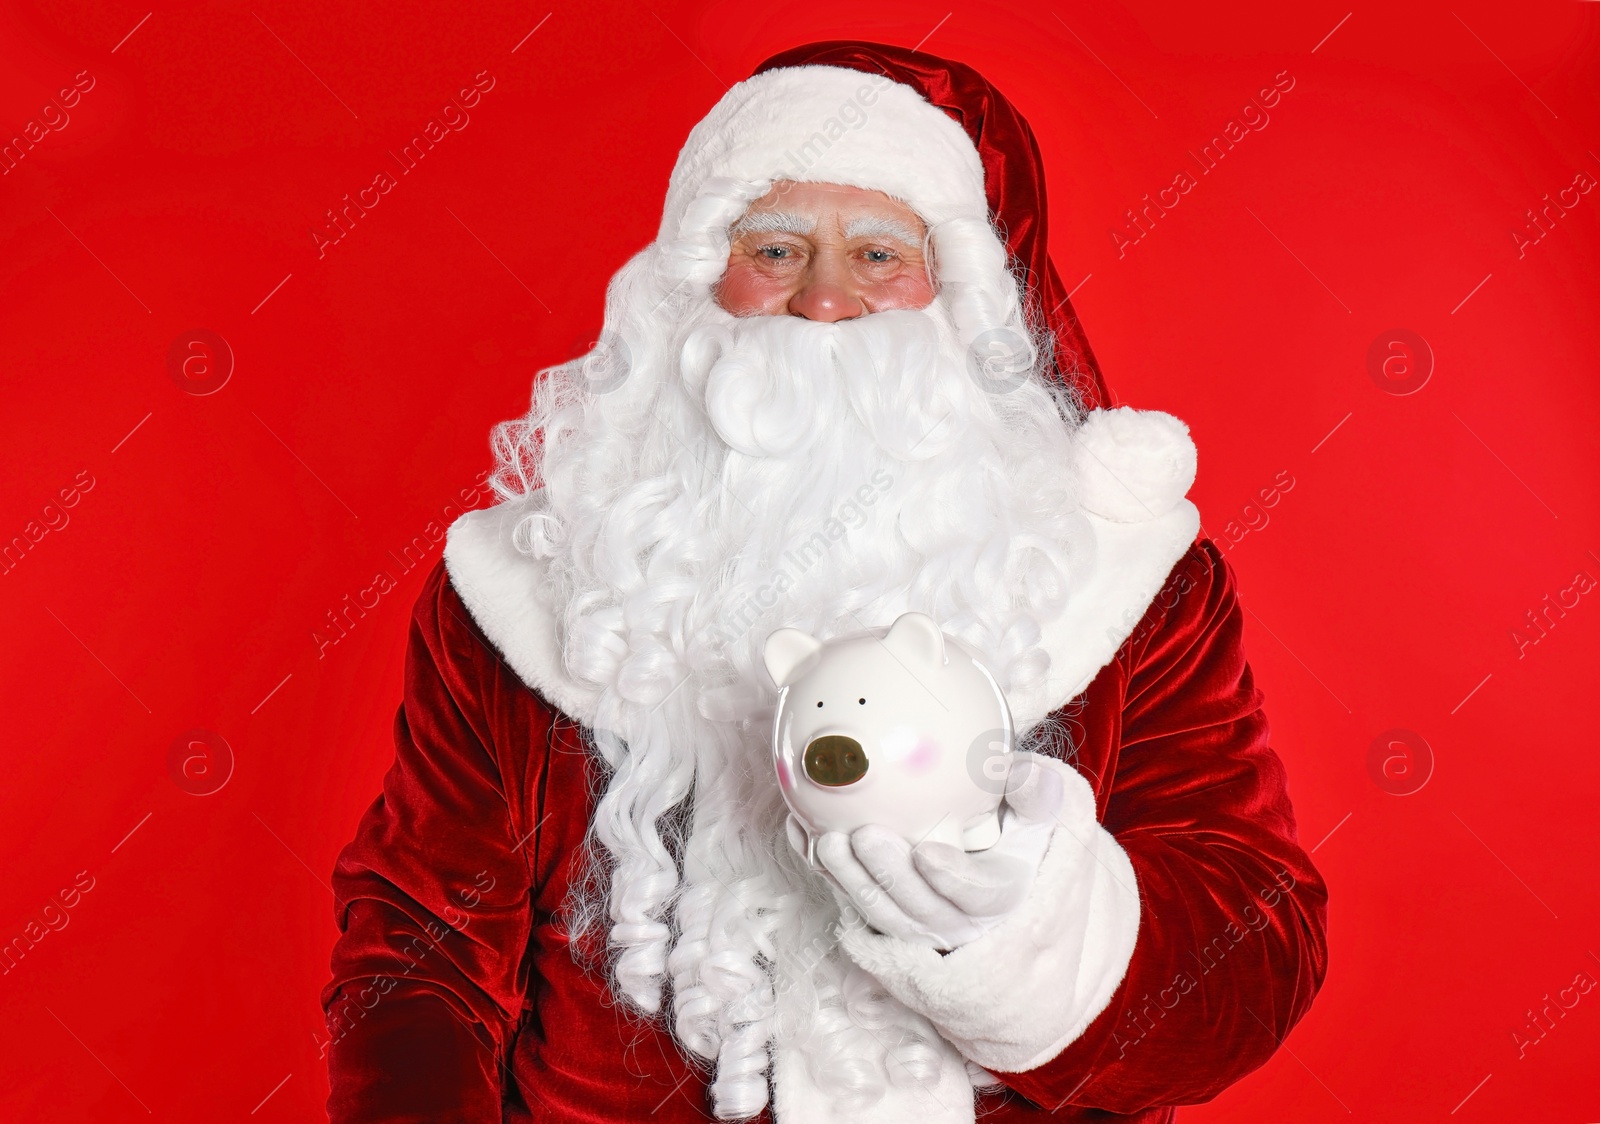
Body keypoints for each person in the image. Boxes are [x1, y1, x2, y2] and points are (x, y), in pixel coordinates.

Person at [322, 41, 1328, 1124]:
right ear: (702, 281)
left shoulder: (1125, 580)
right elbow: (421, 951)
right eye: (778, 247)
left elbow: (1250, 949)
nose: (827, 301)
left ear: (960, 299)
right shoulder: (536, 584)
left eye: (881, 254)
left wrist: (1015, 928)